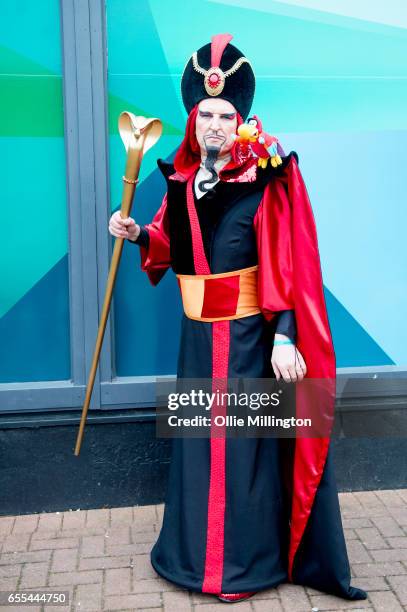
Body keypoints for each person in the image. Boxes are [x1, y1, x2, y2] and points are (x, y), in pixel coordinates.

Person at [109, 34, 367, 604]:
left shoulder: (268, 180)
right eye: (207, 114)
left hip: (251, 339)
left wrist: (286, 335)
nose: (217, 125)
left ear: (243, 120)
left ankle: (242, 566)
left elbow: (288, 262)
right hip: (196, 340)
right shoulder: (179, 182)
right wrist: (137, 235)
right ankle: (192, 558)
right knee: (201, 443)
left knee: (243, 448)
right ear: (193, 119)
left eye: (228, 115)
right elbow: (173, 246)